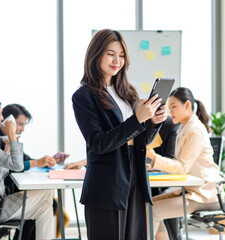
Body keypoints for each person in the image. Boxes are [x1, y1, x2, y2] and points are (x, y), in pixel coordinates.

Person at [72, 29, 167, 240]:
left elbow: (141, 140)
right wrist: (137, 120)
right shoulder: (84, 96)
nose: (117, 60)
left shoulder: (128, 92)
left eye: (122, 55)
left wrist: (152, 122)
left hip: (136, 178)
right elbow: (98, 143)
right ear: (96, 55)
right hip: (108, 185)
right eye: (110, 53)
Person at [0, 94, 54, 240]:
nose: (2, 118)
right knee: (47, 194)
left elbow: (1, 170)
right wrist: (12, 136)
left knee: (45, 207)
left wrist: (7, 149)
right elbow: (17, 166)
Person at [146, 87, 225, 240]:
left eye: (174, 106)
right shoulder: (185, 128)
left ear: (187, 105)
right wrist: (154, 165)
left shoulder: (195, 130)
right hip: (192, 191)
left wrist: (155, 158)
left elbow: (182, 168)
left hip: (204, 194)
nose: (171, 112)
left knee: (153, 210)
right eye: (170, 108)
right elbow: (180, 164)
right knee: (147, 206)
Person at [0, 103, 69, 240]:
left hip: (7, 192)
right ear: (7, 121)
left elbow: (26, 160)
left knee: (48, 203)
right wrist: (36, 162)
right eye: (20, 124)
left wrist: (50, 160)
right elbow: (10, 168)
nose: (22, 129)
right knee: (46, 203)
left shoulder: (10, 140)